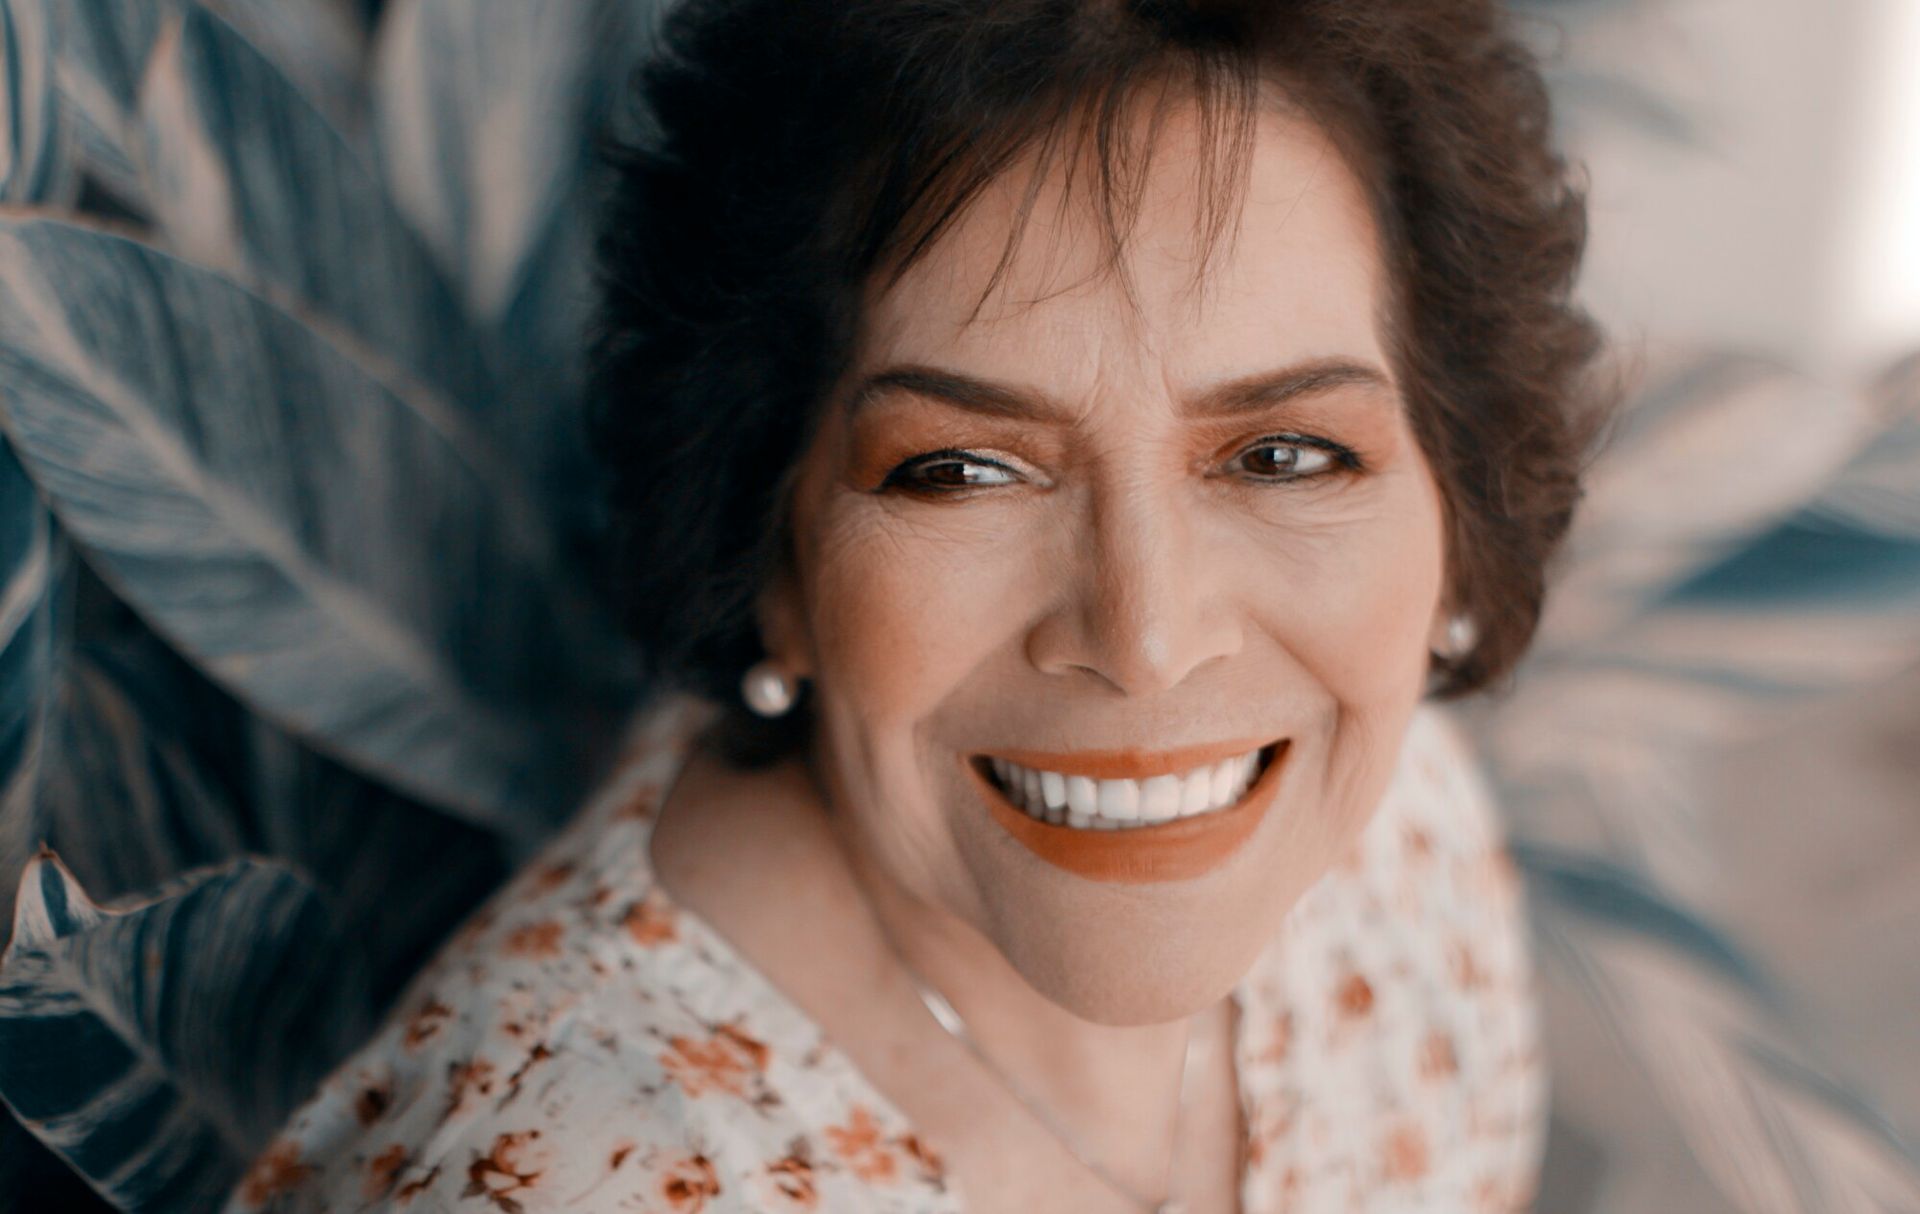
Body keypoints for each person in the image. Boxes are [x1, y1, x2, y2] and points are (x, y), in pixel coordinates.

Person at [225, 0, 1612, 1210]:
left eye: (1285, 455)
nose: (1146, 638)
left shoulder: (1399, 839)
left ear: (1453, 500)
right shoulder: (587, 1173)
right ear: (772, 554)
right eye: (961, 470)